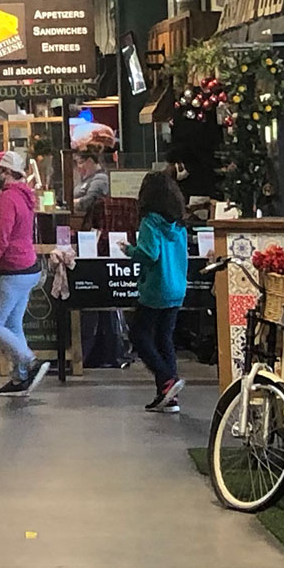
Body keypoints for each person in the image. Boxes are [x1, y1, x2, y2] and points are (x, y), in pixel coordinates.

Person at [0, 149, 48, 396]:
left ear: (6, 172)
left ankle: (29, 361)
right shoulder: (24, 197)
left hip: (10, 270)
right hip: (27, 268)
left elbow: (0, 236)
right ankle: (20, 379)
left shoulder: (7, 200)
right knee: (12, 324)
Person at [130, 171, 191, 413]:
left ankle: (167, 379)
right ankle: (168, 397)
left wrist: (129, 250)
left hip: (156, 288)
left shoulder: (149, 223)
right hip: (177, 288)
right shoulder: (179, 225)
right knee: (164, 338)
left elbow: (149, 253)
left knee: (139, 335)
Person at [72, 133, 129, 369]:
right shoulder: (88, 180)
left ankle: (107, 349)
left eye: (79, 163)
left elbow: (87, 201)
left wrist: (73, 201)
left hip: (103, 241)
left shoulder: (100, 180)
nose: (78, 167)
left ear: (89, 161)